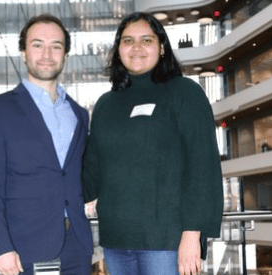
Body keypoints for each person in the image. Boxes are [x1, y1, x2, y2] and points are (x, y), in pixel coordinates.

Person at [82, 12, 224, 275]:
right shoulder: (105, 104)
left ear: (161, 47)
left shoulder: (184, 92)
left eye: (146, 40)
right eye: (127, 41)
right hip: (115, 241)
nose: (136, 48)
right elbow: (91, 174)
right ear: (118, 50)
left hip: (167, 243)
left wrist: (192, 237)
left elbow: (202, 168)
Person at [0, 14, 93, 275]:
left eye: (56, 46)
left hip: (77, 248)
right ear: (23, 52)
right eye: (37, 44)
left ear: (65, 55)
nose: (47, 53)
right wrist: (0, 246)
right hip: (22, 250)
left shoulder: (79, 114)